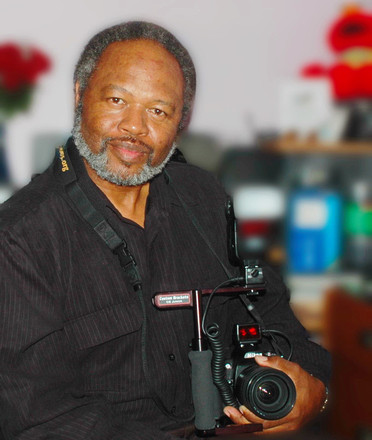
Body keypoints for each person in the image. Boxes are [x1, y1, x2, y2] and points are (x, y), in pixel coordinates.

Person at [0, 21, 331, 440]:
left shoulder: (206, 199)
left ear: (181, 123)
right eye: (117, 100)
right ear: (80, 96)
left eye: (158, 110)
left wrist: (314, 390)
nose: (135, 127)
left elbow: (274, 318)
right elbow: (38, 418)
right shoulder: (19, 239)